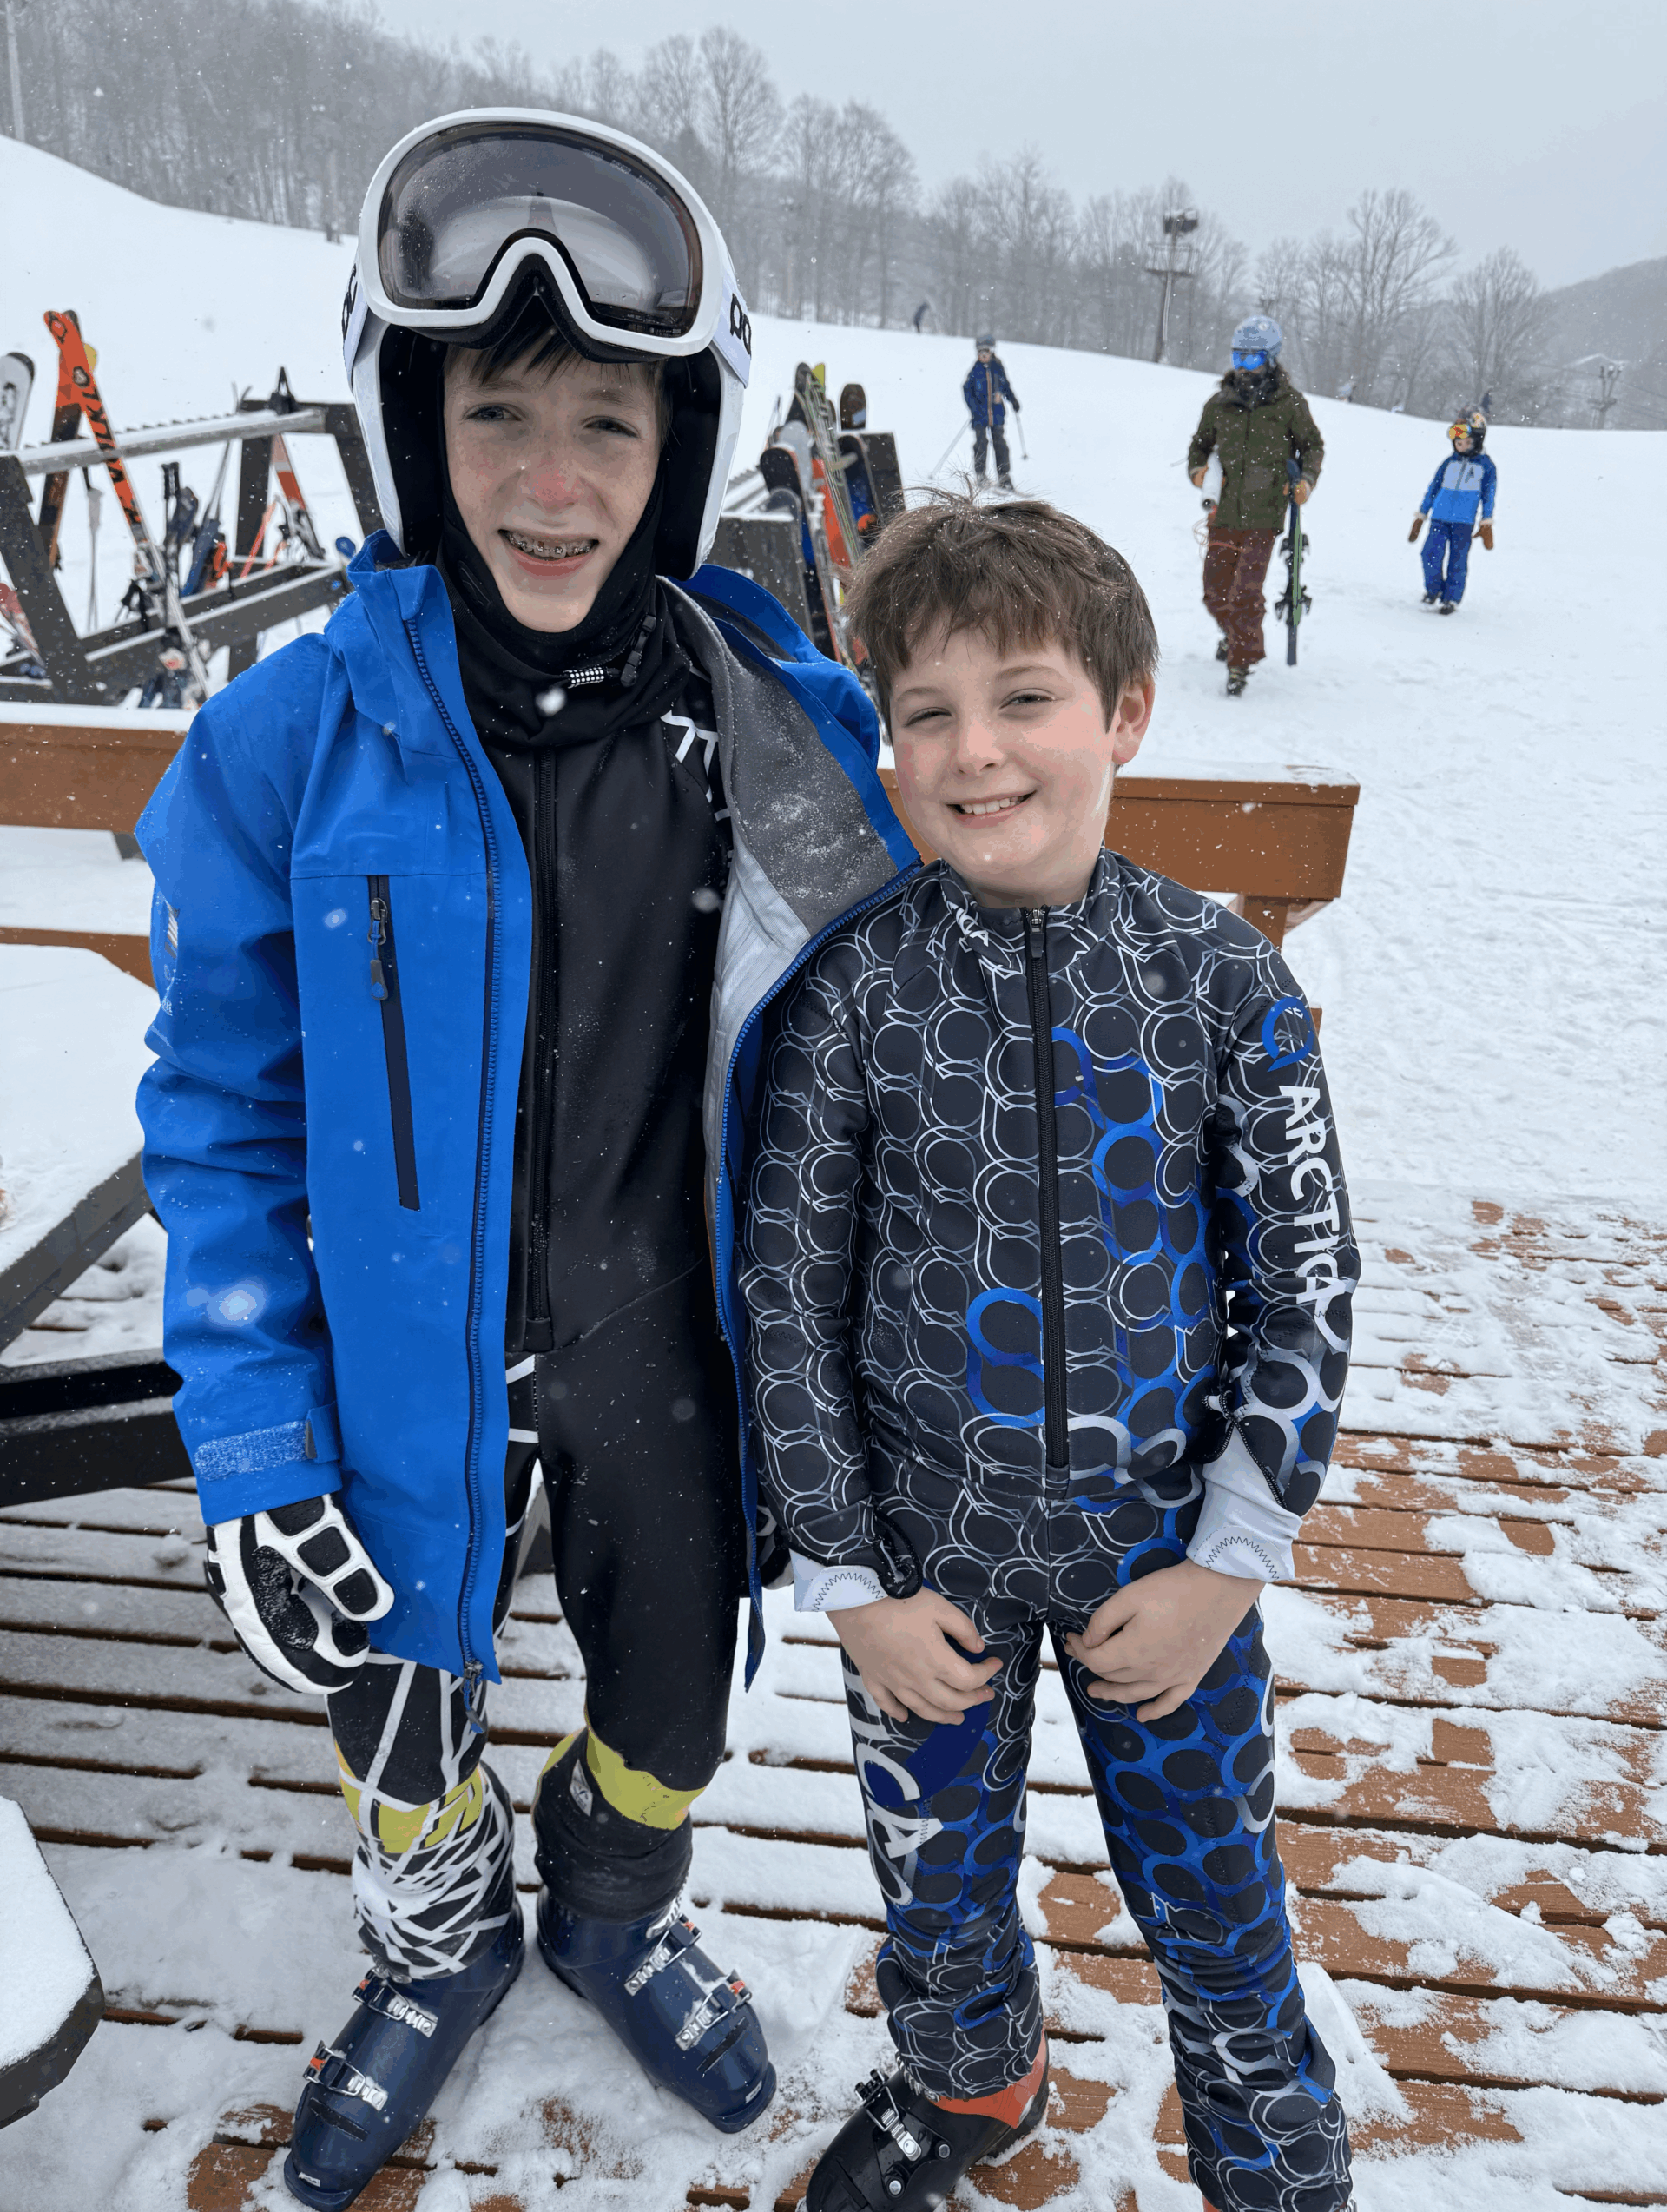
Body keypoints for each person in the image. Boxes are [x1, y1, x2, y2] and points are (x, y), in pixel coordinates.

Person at [135, 108, 918, 2210]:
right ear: (415, 417)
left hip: (675, 1343)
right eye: (498, 411)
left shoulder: (777, 723)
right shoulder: (289, 743)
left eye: (606, 418)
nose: (553, 479)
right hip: (408, 1365)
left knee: (669, 1679)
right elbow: (217, 1118)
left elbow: (937, 989)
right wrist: (250, 1440)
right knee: (399, 1686)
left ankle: (608, 1899)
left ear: (689, 439)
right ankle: (438, 1925)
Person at [739, 492, 1359, 2212]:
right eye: (924, 709)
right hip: (924, 1575)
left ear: (1125, 710)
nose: (975, 748)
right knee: (936, 1890)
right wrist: (851, 1573)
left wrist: (1235, 1557)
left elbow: (1305, 1273)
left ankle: (1276, 2162)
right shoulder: (854, 998)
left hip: (1163, 1562)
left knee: (1224, 1906)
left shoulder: (1221, 982)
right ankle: (972, 2084)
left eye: (1024, 697)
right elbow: (787, 1284)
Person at [1186, 315, 1323, 695]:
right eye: (1238, 357)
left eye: (1253, 359)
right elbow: (1199, 445)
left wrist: (1306, 481)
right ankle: (1234, 636)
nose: (1244, 367)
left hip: (1265, 513)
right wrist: (1198, 471)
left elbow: (1312, 446)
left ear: (1271, 358)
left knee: (1246, 591)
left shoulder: (1290, 404)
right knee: (1215, 592)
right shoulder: (1219, 404)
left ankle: (1240, 663)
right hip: (1224, 511)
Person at [1410, 409, 1496, 615]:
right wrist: (1422, 515)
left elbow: (1489, 495)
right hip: (1439, 518)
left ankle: (1451, 599)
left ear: (1478, 441)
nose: (1462, 447)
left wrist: (1486, 521)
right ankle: (1433, 590)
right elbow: (1433, 488)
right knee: (1429, 554)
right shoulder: (1449, 463)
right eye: (1458, 443)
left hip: (1464, 523)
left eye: (1467, 443)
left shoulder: (1486, 466)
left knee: (1457, 561)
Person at [962, 334, 1019, 489]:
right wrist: (974, 408)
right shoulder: (975, 370)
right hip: (980, 416)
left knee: (1000, 444)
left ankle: (1004, 476)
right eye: (980, 353)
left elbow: (1005, 386)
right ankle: (981, 475)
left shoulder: (998, 368)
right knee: (981, 444)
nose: (983, 356)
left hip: (997, 414)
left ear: (992, 352)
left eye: (986, 352)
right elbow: (967, 390)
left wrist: (1013, 400)